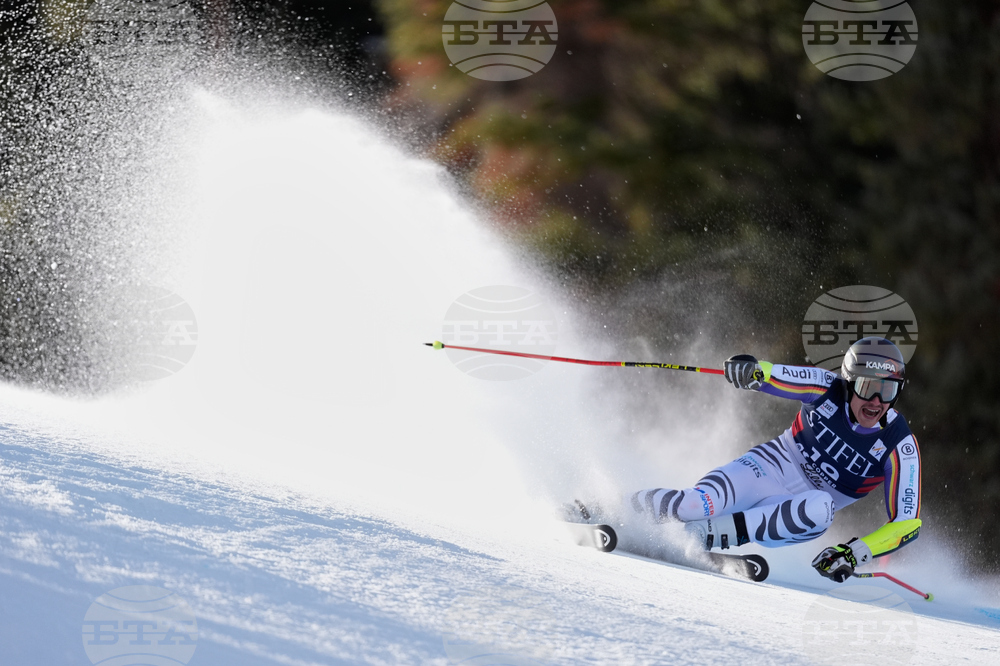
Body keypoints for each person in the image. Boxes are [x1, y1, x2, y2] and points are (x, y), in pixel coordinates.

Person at [626, 336, 922, 582]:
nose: (876, 402)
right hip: (767, 468)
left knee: (823, 508)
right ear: (849, 382)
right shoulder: (827, 387)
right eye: (868, 388)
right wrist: (755, 372)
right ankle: (616, 509)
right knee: (695, 505)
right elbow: (779, 375)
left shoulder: (900, 444)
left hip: (795, 509)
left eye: (887, 391)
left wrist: (853, 553)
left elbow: (907, 523)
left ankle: (702, 537)